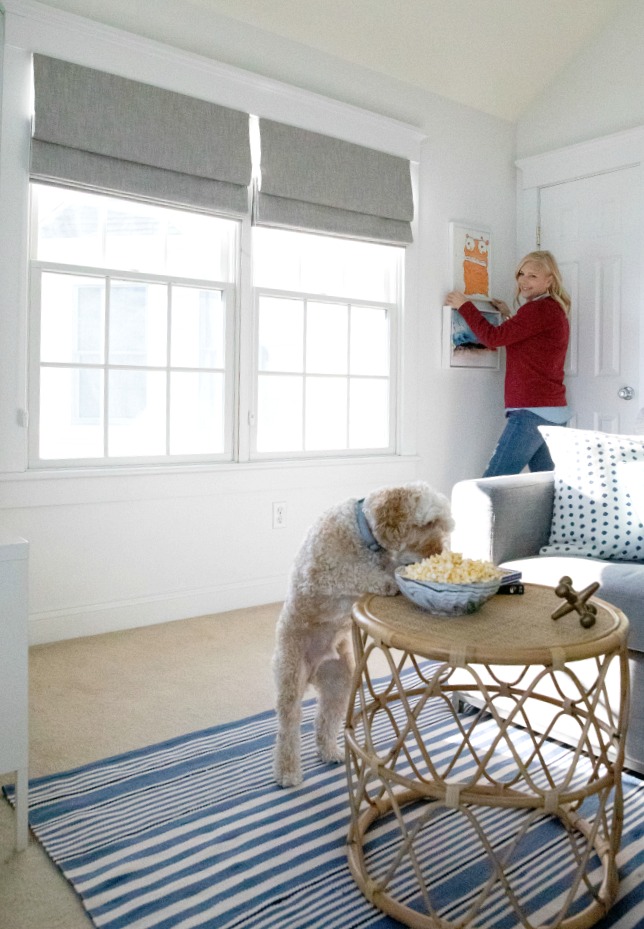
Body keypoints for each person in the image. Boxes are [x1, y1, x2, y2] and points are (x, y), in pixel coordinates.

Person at [446, 249, 571, 476]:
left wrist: (464, 305)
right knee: (547, 490)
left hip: (532, 412)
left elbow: (493, 338)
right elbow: (531, 342)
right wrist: (509, 318)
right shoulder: (553, 309)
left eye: (533, 276)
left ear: (549, 279)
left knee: (491, 484)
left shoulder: (538, 309)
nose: (524, 281)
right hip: (553, 411)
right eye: (521, 274)